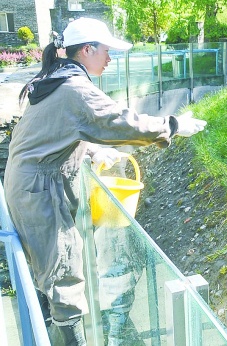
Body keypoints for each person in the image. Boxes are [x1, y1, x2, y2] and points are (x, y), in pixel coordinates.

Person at [3, 17, 206, 345]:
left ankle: (52, 325)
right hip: (39, 192)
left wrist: (89, 152)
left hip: (28, 183)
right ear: (86, 50)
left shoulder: (58, 78)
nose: (110, 59)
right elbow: (120, 121)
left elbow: (54, 133)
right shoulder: (75, 88)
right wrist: (172, 125)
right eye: (106, 51)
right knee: (64, 273)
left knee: (53, 268)